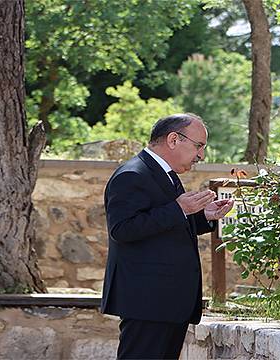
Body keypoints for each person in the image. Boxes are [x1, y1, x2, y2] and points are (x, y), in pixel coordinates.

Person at [100, 113, 234, 359]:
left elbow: (165, 226)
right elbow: (123, 229)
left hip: (166, 302)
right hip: (147, 302)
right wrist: (180, 209)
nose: (201, 155)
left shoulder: (165, 174)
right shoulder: (132, 174)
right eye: (199, 146)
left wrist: (203, 216)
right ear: (173, 139)